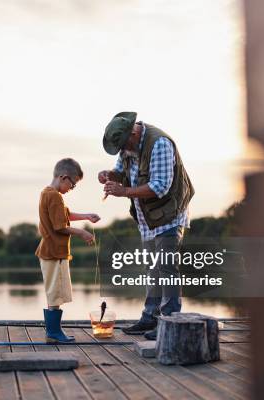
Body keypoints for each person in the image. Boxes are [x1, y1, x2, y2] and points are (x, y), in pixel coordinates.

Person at [99, 111, 194, 339]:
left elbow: (160, 186)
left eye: (123, 145)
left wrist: (124, 192)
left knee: (166, 270)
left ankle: (168, 322)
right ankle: (149, 318)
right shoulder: (128, 146)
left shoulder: (159, 143)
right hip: (147, 221)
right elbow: (120, 172)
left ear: (133, 132)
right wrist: (109, 175)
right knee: (152, 271)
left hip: (169, 218)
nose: (122, 151)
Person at [36, 158, 100, 343]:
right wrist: (82, 233)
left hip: (51, 252)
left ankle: (54, 331)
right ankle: (54, 333)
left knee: (55, 293)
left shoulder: (48, 193)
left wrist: (86, 215)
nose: (71, 188)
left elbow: (65, 215)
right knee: (55, 294)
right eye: (72, 184)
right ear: (64, 177)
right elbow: (59, 226)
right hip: (54, 252)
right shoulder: (55, 196)